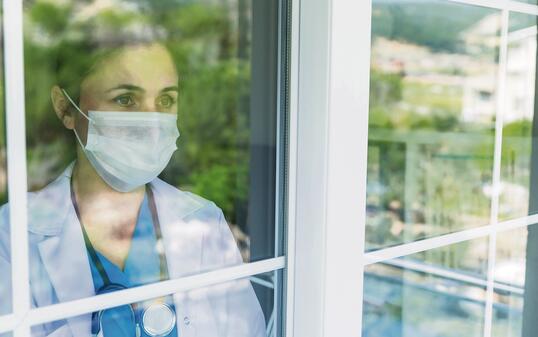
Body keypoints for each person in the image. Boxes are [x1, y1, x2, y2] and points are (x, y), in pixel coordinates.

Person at [0, 17, 265, 337]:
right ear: (65, 108)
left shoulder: (205, 223)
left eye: (166, 100)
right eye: (126, 99)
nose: (152, 121)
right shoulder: (12, 234)